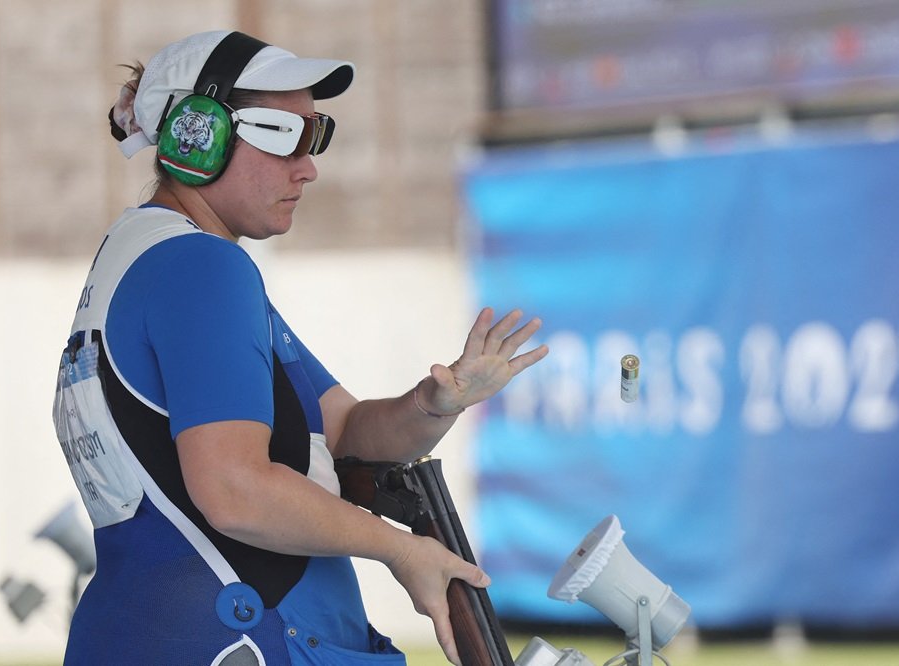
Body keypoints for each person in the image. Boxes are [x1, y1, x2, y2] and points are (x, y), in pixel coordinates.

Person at [52, 29, 548, 666]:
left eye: (315, 137)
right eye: (282, 137)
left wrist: (433, 403)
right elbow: (234, 489)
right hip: (239, 639)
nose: (308, 166)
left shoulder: (151, 256)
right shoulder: (200, 267)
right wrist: (401, 551)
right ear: (197, 138)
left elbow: (342, 432)